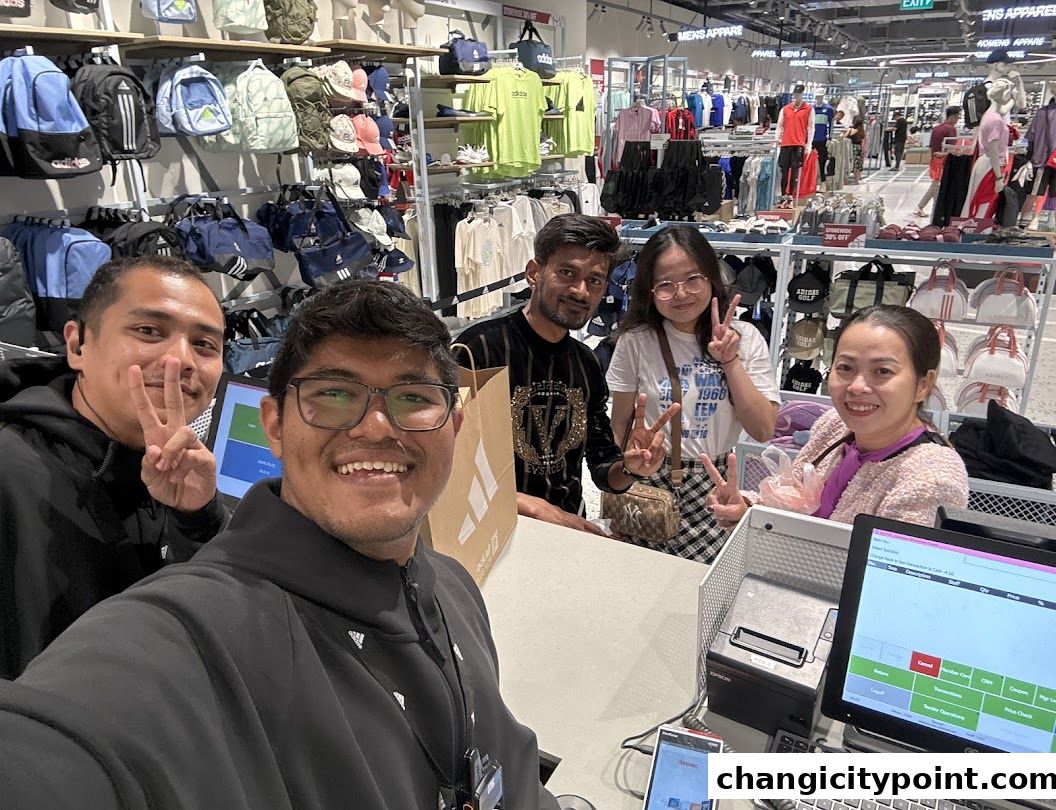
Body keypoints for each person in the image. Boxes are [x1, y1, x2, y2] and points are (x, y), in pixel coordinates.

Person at [0, 280, 559, 810]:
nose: (376, 426)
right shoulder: (199, 632)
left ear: (455, 425)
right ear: (274, 425)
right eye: (334, 393)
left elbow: (504, 766)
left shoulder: (454, 589)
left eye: (413, 396)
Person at [0, 255, 228, 679]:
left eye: (204, 344)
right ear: (77, 345)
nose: (181, 361)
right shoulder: (11, 477)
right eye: (148, 331)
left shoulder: (177, 467)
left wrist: (197, 517)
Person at [454, 214, 679, 536]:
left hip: (566, 532)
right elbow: (444, 463)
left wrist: (630, 467)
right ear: (534, 273)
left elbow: (604, 472)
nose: (580, 291)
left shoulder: (586, 364)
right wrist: (528, 504)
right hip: (488, 530)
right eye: (567, 273)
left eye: (595, 280)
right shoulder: (478, 350)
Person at [704, 305, 968, 528]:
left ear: (923, 384)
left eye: (882, 371)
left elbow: (889, 579)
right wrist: (747, 508)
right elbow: (794, 500)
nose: (856, 386)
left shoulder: (930, 479)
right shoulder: (836, 427)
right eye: (845, 368)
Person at [606, 227, 779, 562]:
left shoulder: (745, 337)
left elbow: (763, 429)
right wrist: (624, 467)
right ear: (651, 290)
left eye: (692, 279)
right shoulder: (636, 340)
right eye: (666, 284)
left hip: (715, 488)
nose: (681, 293)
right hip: (648, 485)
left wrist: (730, 361)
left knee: (701, 596)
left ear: (712, 279)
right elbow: (621, 424)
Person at [915, 106, 961, 217]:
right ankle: (934, 211)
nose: (958, 119)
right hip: (944, 161)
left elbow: (931, 147)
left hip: (935, 160)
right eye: (958, 117)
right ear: (953, 116)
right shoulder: (951, 129)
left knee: (935, 186)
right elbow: (951, 148)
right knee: (938, 188)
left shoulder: (936, 128)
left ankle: (921, 206)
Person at [844, 116, 866, 184]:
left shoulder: (850, 130)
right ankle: (856, 180)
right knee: (857, 165)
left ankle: (845, 181)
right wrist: (863, 152)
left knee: (847, 164)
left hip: (849, 148)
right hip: (858, 149)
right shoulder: (861, 131)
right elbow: (862, 143)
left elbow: (844, 137)